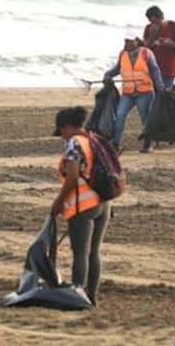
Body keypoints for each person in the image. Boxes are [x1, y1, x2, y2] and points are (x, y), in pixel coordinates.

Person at [51, 107, 111, 306]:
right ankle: (91, 296)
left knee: (80, 253)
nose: (61, 137)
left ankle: (77, 298)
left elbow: (72, 178)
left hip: (84, 204)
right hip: (104, 204)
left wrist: (59, 202)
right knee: (94, 252)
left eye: (61, 132)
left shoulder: (74, 144)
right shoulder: (94, 139)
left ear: (67, 127)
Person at [104, 36, 164, 153]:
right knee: (119, 115)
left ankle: (148, 144)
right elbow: (117, 69)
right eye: (126, 41)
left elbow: (155, 70)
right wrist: (107, 75)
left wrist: (160, 87)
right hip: (127, 93)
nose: (127, 43)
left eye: (130, 41)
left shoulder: (146, 53)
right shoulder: (123, 54)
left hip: (145, 92)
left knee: (145, 119)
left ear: (137, 41)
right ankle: (116, 144)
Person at [143, 5, 175, 89]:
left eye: (156, 21)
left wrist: (172, 44)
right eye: (151, 22)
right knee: (152, 98)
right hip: (152, 69)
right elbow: (144, 50)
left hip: (168, 70)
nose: (154, 24)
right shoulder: (149, 28)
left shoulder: (174, 26)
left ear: (162, 17)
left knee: (164, 97)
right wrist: (152, 36)